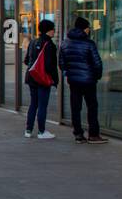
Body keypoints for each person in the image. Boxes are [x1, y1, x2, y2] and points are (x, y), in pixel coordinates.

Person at [58, 16, 106, 144]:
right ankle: (93, 134)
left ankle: (78, 134)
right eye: (88, 28)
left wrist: (69, 73)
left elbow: (61, 63)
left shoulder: (65, 42)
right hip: (89, 80)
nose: (89, 30)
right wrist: (96, 76)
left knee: (75, 107)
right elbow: (97, 63)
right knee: (92, 106)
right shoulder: (89, 43)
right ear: (85, 29)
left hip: (73, 80)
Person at [23, 19, 59, 139]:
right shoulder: (50, 45)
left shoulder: (33, 42)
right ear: (49, 30)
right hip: (43, 79)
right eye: (53, 29)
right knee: (42, 105)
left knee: (33, 104)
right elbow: (50, 66)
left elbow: (26, 60)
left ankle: (28, 130)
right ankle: (41, 131)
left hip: (32, 77)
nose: (54, 31)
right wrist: (55, 80)